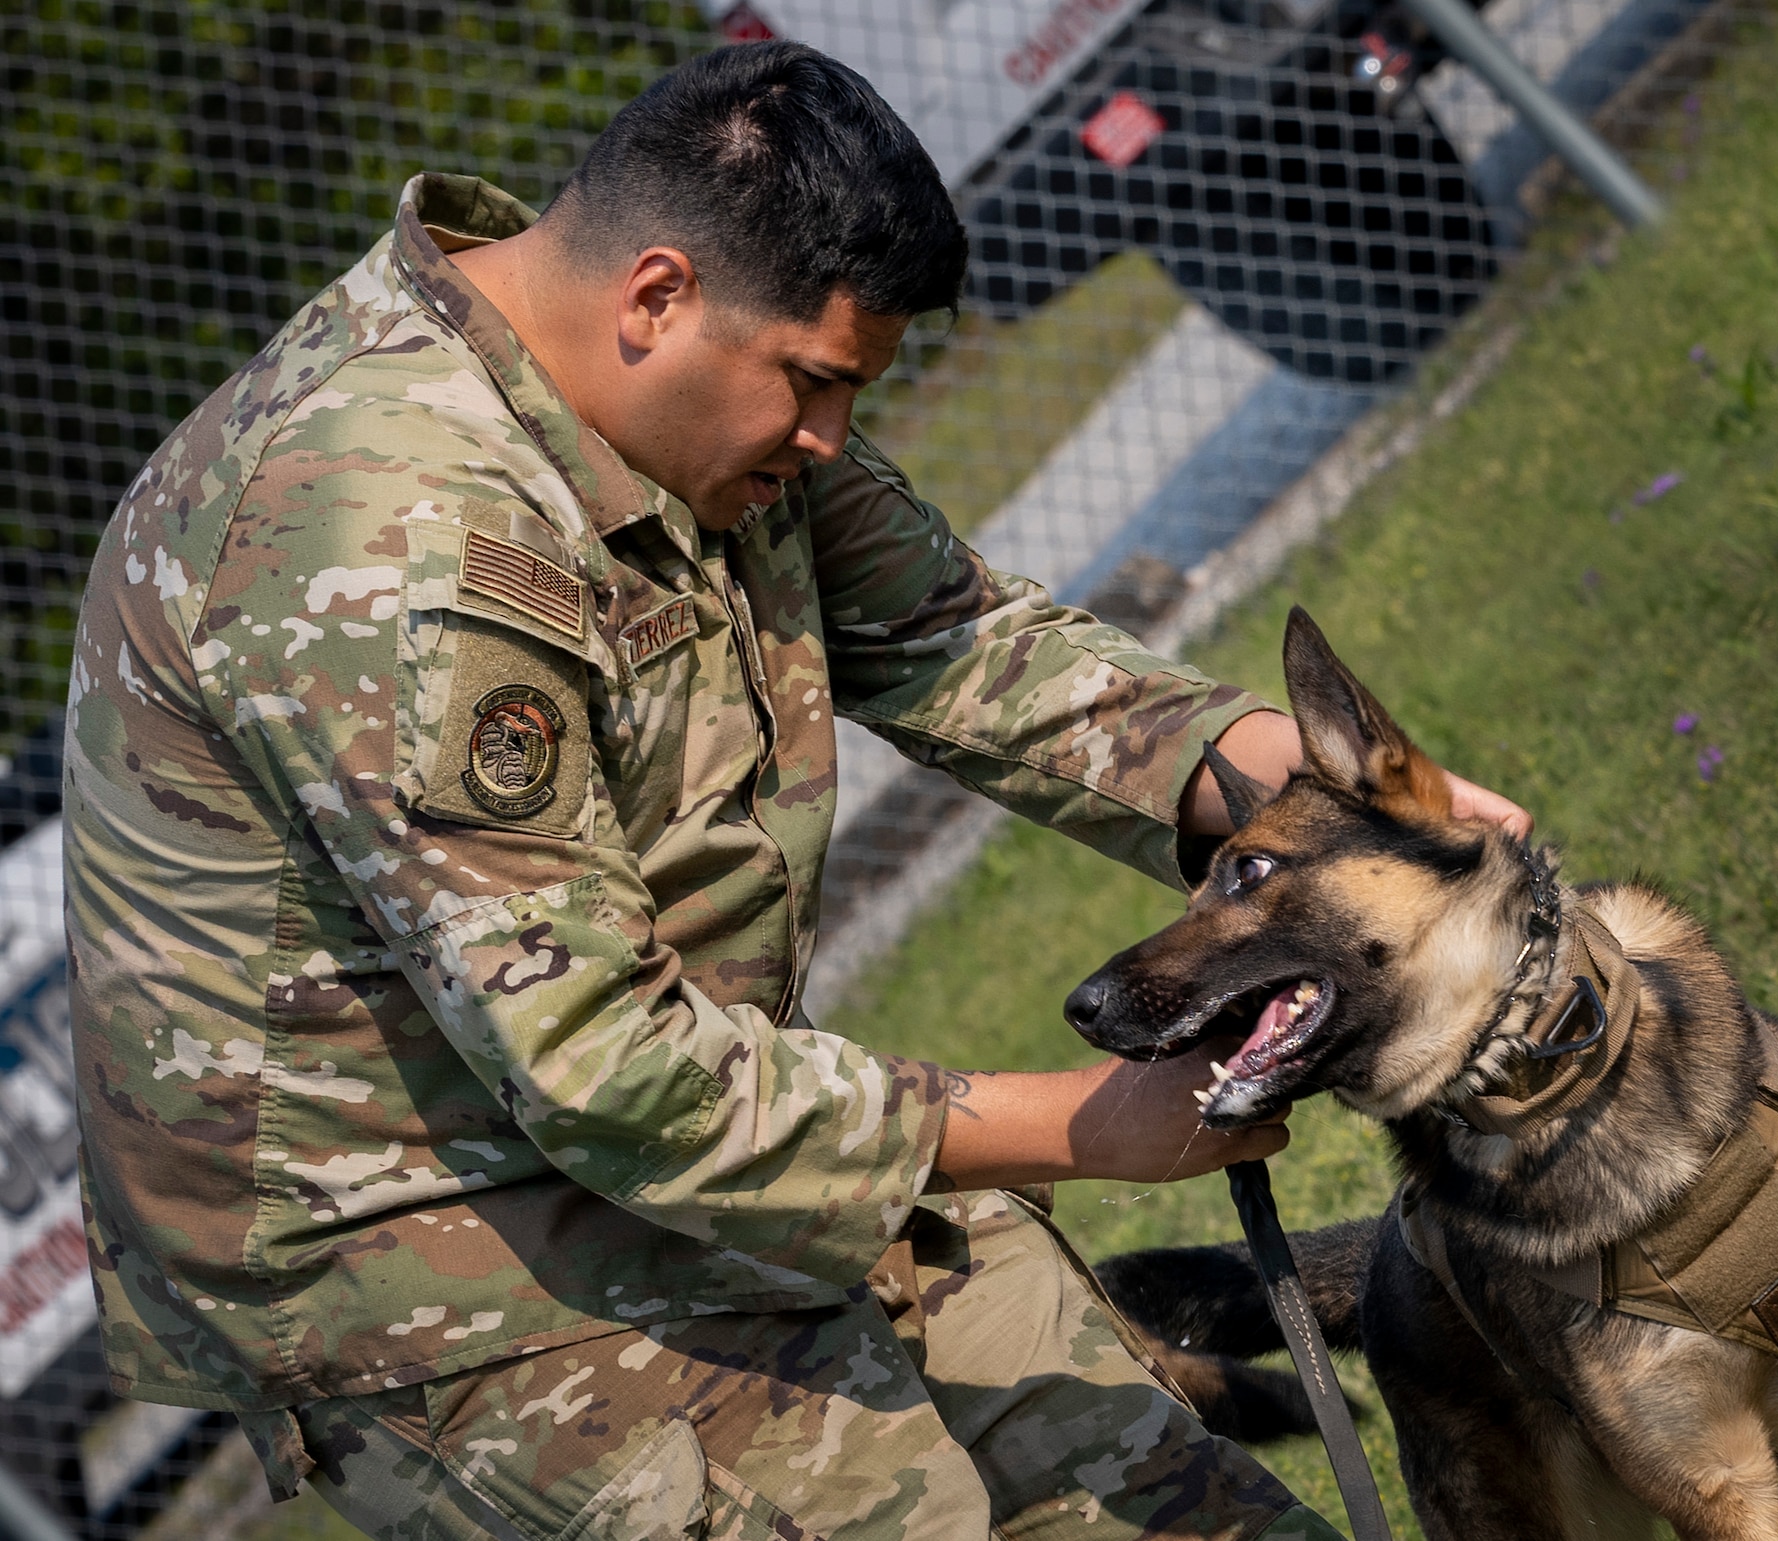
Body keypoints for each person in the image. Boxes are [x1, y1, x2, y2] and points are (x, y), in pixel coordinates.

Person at [64, 40, 1526, 1541]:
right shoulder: (387, 543)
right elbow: (602, 1066)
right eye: (816, 386)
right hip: (457, 1280)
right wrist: (1085, 1123)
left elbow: (963, 645)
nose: (832, 439)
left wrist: (1335, 801)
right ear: (655, 295)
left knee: (1170, 1494)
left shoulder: (674, 404)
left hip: (705, 1133)